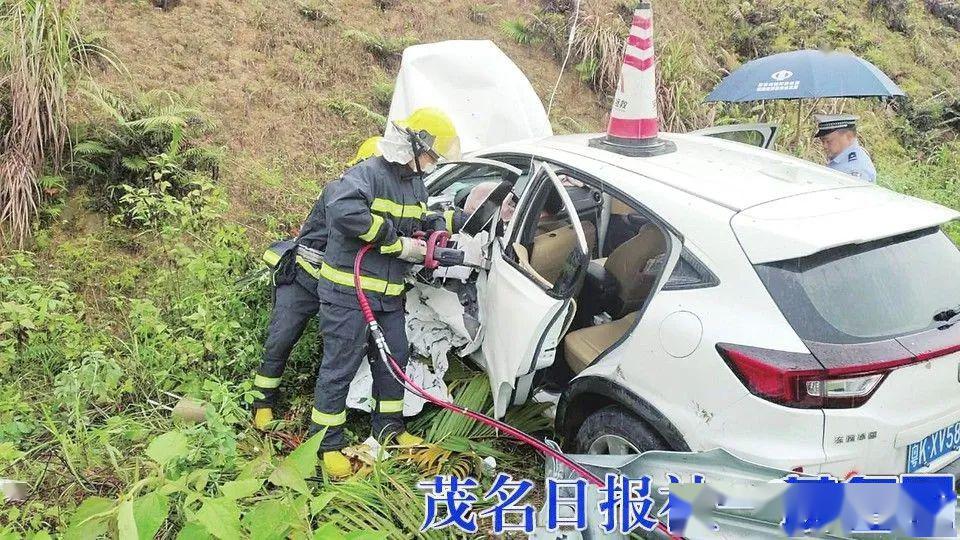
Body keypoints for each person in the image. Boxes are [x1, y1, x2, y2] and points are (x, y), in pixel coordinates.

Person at [312, 108, 461, 478]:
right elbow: (342, 210)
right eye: (432, 155)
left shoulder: (415, 182)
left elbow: (422, 214)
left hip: (389, 296)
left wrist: (436, 227)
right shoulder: (368, 173)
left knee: (395, 359)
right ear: (415, 144)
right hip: (350, 293)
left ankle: (390, 431)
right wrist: (395, 242)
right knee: (339, 366)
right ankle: (326, 444)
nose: (432, 163)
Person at [251, 136, 383, 430]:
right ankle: (262, 402)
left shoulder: (380, 198)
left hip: (338, 290)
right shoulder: (340, 192)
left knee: (338, 354)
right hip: (304, 279)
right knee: (281, 338)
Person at [814, 114, 877, 183]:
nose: (824, 146)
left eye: (828, 141)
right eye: (822, 141)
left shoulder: (856, 168)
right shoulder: (842, 160)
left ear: (848, 136)